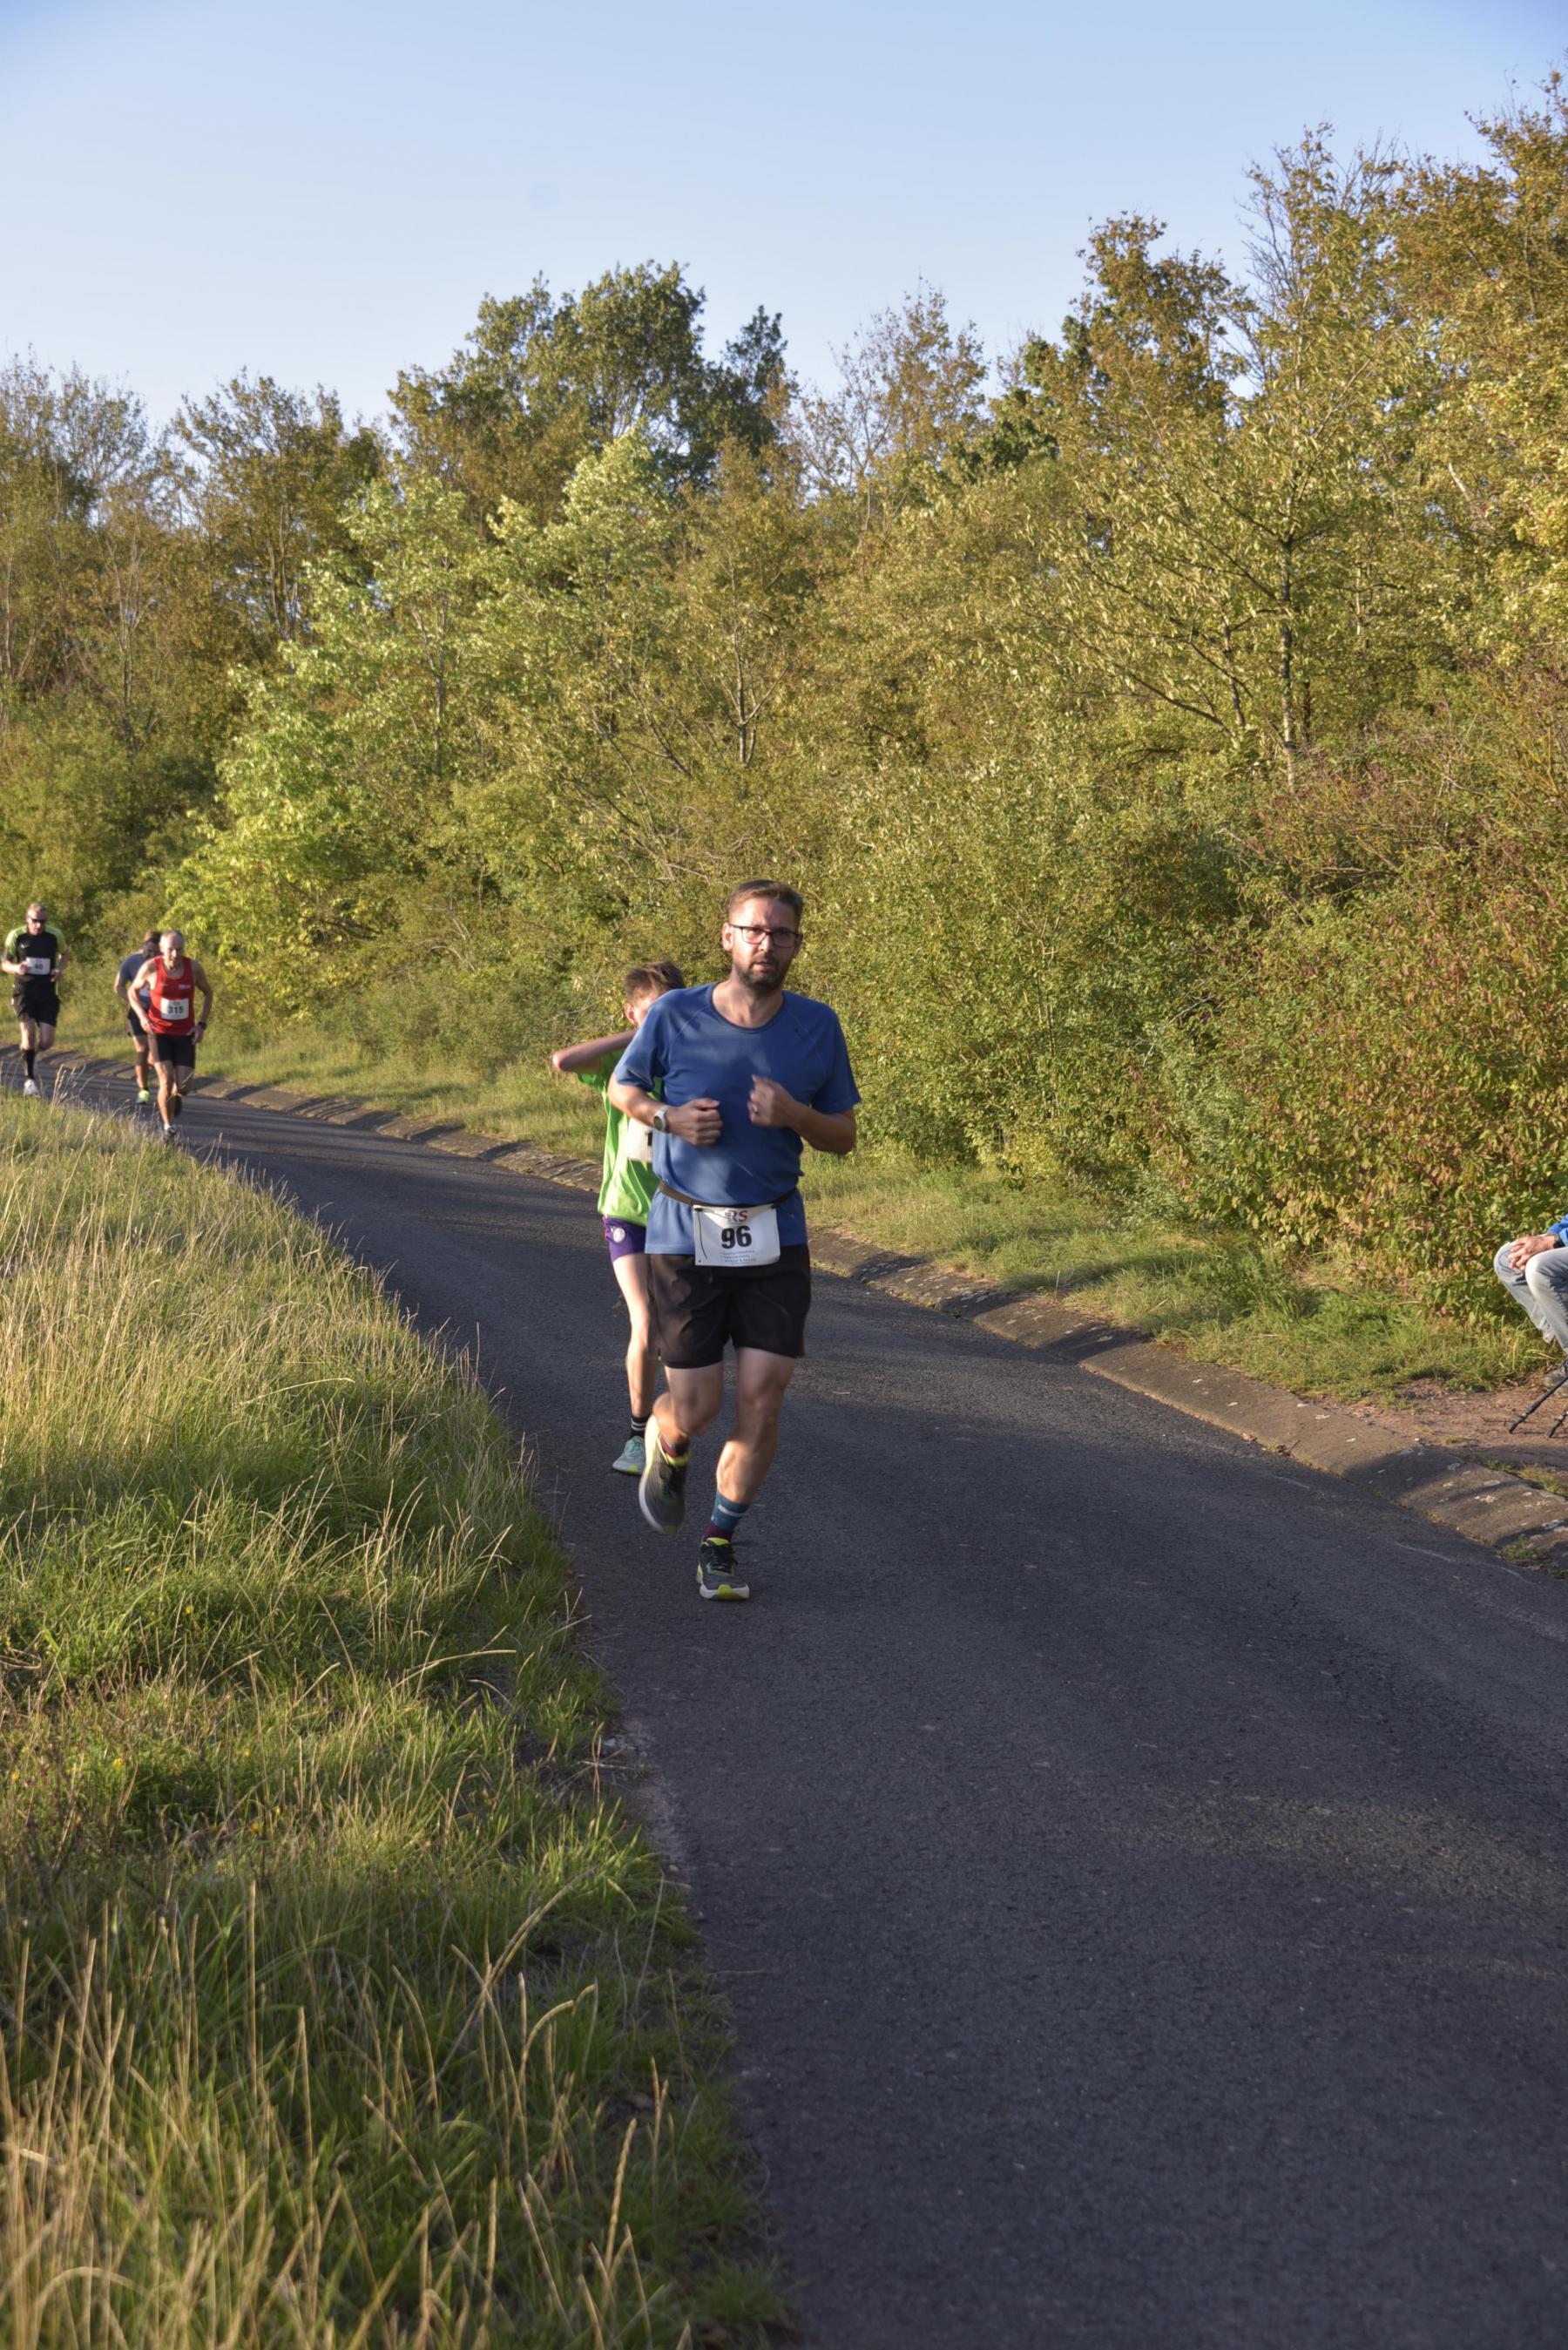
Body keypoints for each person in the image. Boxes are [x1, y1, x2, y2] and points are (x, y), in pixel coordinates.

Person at [608, 882, 859, 1602]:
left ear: (797, 944)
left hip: (775, 1231)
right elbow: (624, 1089)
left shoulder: (817, 1026)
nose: (765, 944)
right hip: (684, 1229)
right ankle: (667, 1437)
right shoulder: (676, 1014)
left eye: (781, 933)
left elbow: (843, 1134)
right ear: (727, 937)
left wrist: (796, 1114)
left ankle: (719, 1541)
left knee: (763, 1397)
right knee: (696, 1408)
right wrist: (669, 1117)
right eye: (753, 930)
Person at [550, 958, 686, 1476]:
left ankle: (671, 1434)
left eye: (670, 1011)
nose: (662, 1022)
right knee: (644, 1320)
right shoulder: (624, 1060)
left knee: (678, 1329)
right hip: (627, 1208)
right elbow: (564, 1060)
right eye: (651, 1012)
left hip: (682, 1210)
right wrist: (638, 1035)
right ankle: (635, 1435)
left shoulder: (695, 1059)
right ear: (631, 1013)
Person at [126, 930, 213, 1141]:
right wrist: (143, 1017)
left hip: (185, 1034)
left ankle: (174, 1096)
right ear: (162, 949)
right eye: (171, 950)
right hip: (159, 1033)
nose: (175, 954)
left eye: (179, 950)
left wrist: (201, 1025)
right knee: (165, 1080)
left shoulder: (193, 968)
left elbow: (208, 993)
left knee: (183, 1087)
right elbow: (131, 992)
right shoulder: (151, 967)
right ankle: (168, 1127)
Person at [2, 901, 68, 1097]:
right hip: (24, 992)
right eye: (35, 921)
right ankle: (30, 1081)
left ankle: (30, 1055)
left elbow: (65, 954)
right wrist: (16, 968)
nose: (39, 925)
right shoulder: (16, 935)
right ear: (27, 919)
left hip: (47, 993)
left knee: (47, 1041)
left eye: (43, 921)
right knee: (28, 1034)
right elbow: (4, 963)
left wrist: (59, 969)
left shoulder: (54, 935)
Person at [114, 930, 161, 1107]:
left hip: (159, 1012)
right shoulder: (131, 961)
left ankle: (148, 1070)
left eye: (156, 952)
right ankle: (143, 1090)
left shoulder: (165, 962)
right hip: (137, 1011)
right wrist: (133, 1001)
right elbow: (118, 986)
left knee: (155, 1053)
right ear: (143, 945)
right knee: (142, 1048)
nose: (151, 956)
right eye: (148, 951)